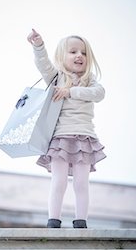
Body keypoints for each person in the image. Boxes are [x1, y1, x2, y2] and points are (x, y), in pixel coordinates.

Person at [27, 29, 106, 229]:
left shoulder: (90, 80)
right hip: (61, 137)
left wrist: (70, 92)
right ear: (63, 56)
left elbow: (99, 93)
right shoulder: (57, 77)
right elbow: (43, 64)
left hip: (84, 138)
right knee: (58, 181)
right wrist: (38, 46)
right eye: (73, 52)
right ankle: (53, 221)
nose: (79, 55)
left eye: (84, 52)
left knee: (81, 183)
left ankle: (81, 222)